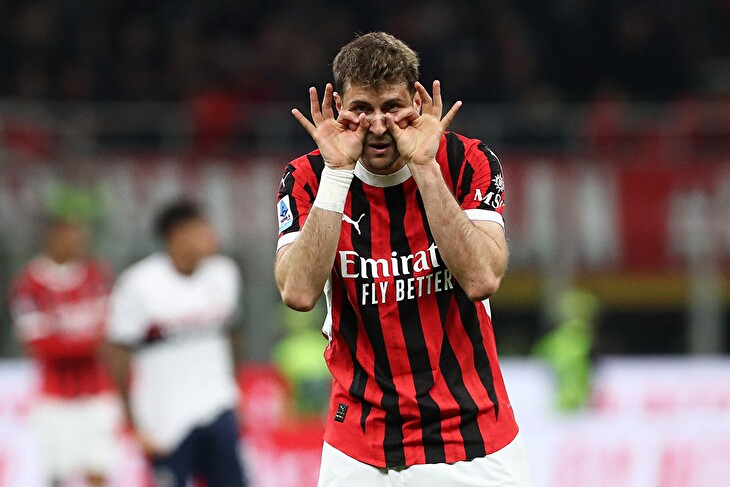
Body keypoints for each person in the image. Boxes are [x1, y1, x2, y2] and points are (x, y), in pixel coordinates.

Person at [275, 32, 531, 486]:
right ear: (338, 106)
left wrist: (425, 167)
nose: (377, 125)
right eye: (361, 108)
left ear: (417, 100)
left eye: (391, 107)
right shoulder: (309, 176)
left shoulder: (467, 161)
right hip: (360, 446)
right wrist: (337, 174)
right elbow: (297, 292)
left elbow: (482, 279)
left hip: (472, 435)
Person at [106, 199, 247, 487]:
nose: (212, 235)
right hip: (166, 421)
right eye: (202, 228)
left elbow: (232, 335)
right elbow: (118, 355)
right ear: (177, 235)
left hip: (217, 406)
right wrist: (134, 423)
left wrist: (233, 389)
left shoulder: (224, 274)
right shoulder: (139, 284)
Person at [8, 218, 119, 487]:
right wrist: (88, 343)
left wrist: (74, 341)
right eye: (69, 237)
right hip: (54, 395)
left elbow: (111, 328)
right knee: (57, 474)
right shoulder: (28, 283)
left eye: (79, 237)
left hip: (97, 391)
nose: (76, 244)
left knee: (98, 470)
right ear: (51, 239)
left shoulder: (97, 274)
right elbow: (39, 345)